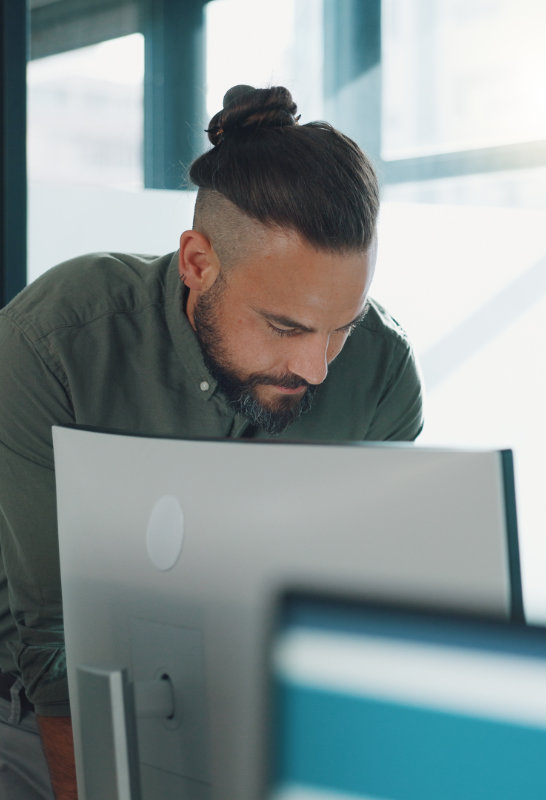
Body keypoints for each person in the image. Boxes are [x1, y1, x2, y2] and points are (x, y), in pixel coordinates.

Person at [0, 85, 423, 799]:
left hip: (263, 710)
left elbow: (362, 612)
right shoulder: (53, 342)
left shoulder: (381, 372)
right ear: (198, 262)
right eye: (287, 327)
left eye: (341, 327)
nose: (316, 368)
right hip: (42, 716)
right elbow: (54, 639)